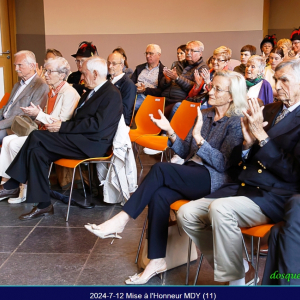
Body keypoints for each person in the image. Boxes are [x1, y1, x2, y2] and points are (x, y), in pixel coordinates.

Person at [85, 70, 248, 285]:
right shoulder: (206, 113)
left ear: (231, 96)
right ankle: (156, 260)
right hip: (192, 172)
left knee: (160, 170)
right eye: (211, 86)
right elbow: (184, 152)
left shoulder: (236, 122)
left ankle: (122, 219)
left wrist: (200, 140)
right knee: (159, 195)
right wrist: (170, 130)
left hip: (213, 179)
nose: (210, 90)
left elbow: (222, 164)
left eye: (218, 88)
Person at [178, 58, 300, 286]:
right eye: (276, 79)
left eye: (285, 80)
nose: (277, 85)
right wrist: (246, 145)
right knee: (187, 213)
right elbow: (252, 153)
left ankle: (234, 285)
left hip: (275, 195)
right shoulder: (270, 109)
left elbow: (294, 173)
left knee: (221, 209)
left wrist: (262, 139)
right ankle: (243, 270)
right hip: (246, 185)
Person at [0, 56, 123, 220]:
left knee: (36, 136)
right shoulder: (93, 91)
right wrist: (61, 125)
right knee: (38, 152)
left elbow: (96, 126)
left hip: (92, 144)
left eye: (85, 74)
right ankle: (43, 205)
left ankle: (13, 183)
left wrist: (62, 127)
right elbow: (79, 119)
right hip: (79, 139)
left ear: (95, 73)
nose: (82, 77)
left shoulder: (111, 94)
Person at [0, 57, 80, 203]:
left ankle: (22, 187)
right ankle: (7, 184)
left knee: (14, 144)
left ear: (62, 75)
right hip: (43, 132)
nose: (46, 74)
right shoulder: (52, 91)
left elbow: (60, 123)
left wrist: (39, 115)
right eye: (45, 70)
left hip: (56, 137)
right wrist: (36, 115)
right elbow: (46, 117)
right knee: (7, 140)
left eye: (50, 71)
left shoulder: (69, 93)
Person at [0, 50, 48, 143]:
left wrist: (1, 124)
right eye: (15, 65)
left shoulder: (41, 86)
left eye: (19, 65)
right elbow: (6, 108)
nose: (16, 69)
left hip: (16, 127)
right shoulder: (17, 85)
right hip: (5, 122)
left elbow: (27, 116)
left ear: (32, 66)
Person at [130, 44, 165, 112]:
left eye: (151, 53)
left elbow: (161, 91)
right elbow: (131, 83)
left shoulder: (163, 71)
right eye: (146, 53)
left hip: (149, 98)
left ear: (159, 55)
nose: (147, 56)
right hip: (134, 94)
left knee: (129, 105)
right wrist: (135, 88)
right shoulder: (139, 68)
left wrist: (145, 90)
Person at [107, 52, 136, 126]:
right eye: (108, 63)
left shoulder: (128, 84)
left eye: (114, 63)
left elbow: (124, 111)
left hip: (118, 122)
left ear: (121, 66)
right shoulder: (106, 81)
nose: (110, 66)